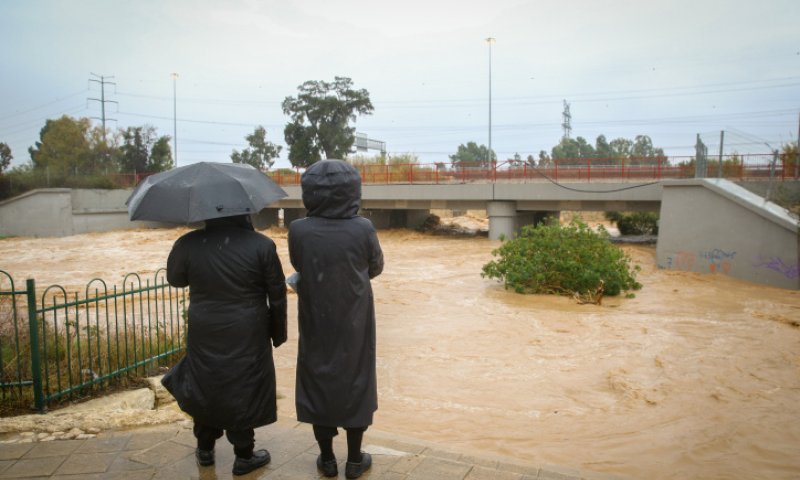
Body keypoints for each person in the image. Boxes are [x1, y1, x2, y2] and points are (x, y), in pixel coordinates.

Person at [161, 214, 287, 476]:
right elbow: (276, 293)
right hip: (248, 328)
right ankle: (244, 455)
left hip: (205, 328)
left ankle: (205, 449)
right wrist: (277, 333)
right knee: (244, 384)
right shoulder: (261, 245)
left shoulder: (188, 243)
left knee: (206, 381)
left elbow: (175, 279)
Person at [288, 159, 384, 479]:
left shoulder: (299, 229)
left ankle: (326, 459)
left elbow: (299, 263)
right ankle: (355, 460)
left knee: (318, 374)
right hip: (354, 314)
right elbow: (375, 267)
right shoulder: (363, 228)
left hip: (315, 314)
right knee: (356, 376)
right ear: (352, 190)